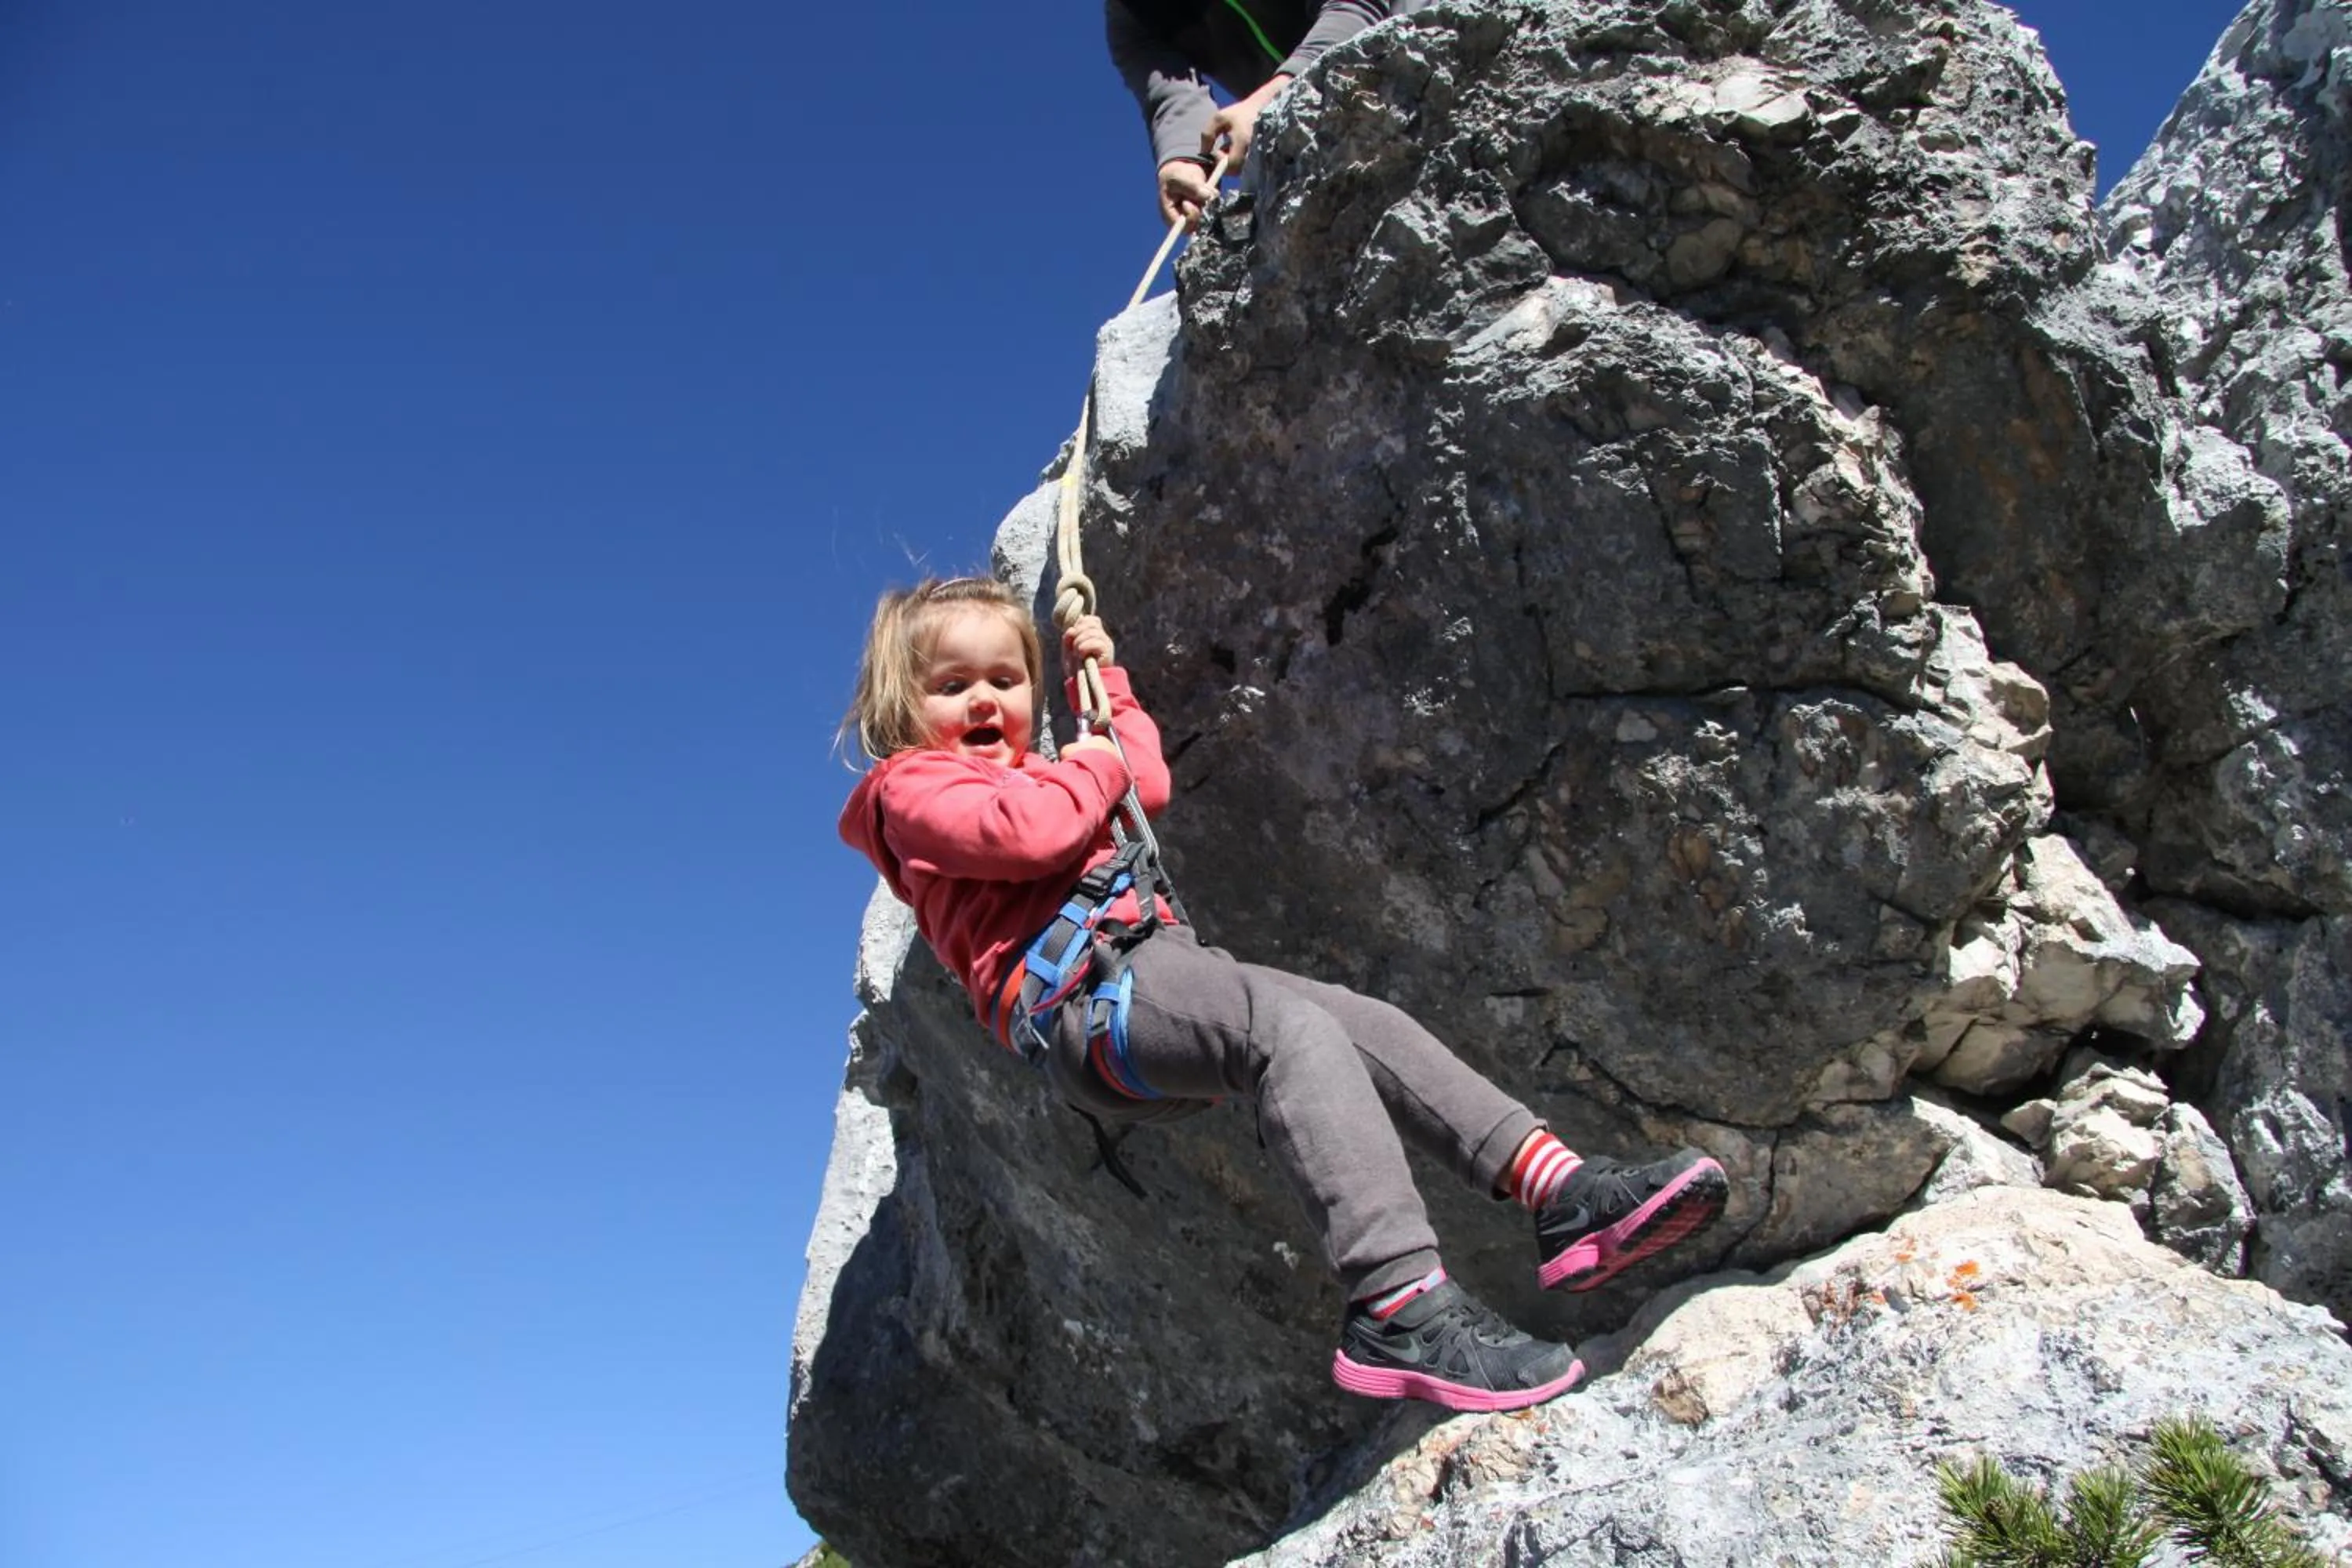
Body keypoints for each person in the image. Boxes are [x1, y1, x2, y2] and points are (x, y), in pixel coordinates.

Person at [837, 575, 1730, 1411]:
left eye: (1005, 676)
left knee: (1359, 1021)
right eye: (954, 686)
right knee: (1290, 1028)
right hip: (1090, 1003)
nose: (987, 699)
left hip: (1156, 974)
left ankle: (1557, 1188)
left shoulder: (1051, 767)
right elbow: (1030, 832)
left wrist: (1104, 681)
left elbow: (1146, 780)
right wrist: (1094, 759)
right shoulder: (909, 790)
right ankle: (1399, 1302)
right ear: (901, 707)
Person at [1106, 0, 1428, 229]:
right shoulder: (1133, 13)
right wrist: (1185, 158)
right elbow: (1171, 97)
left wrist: (1272, 98)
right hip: (1327, 129)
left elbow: (1357, 6)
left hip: (1430, 49)